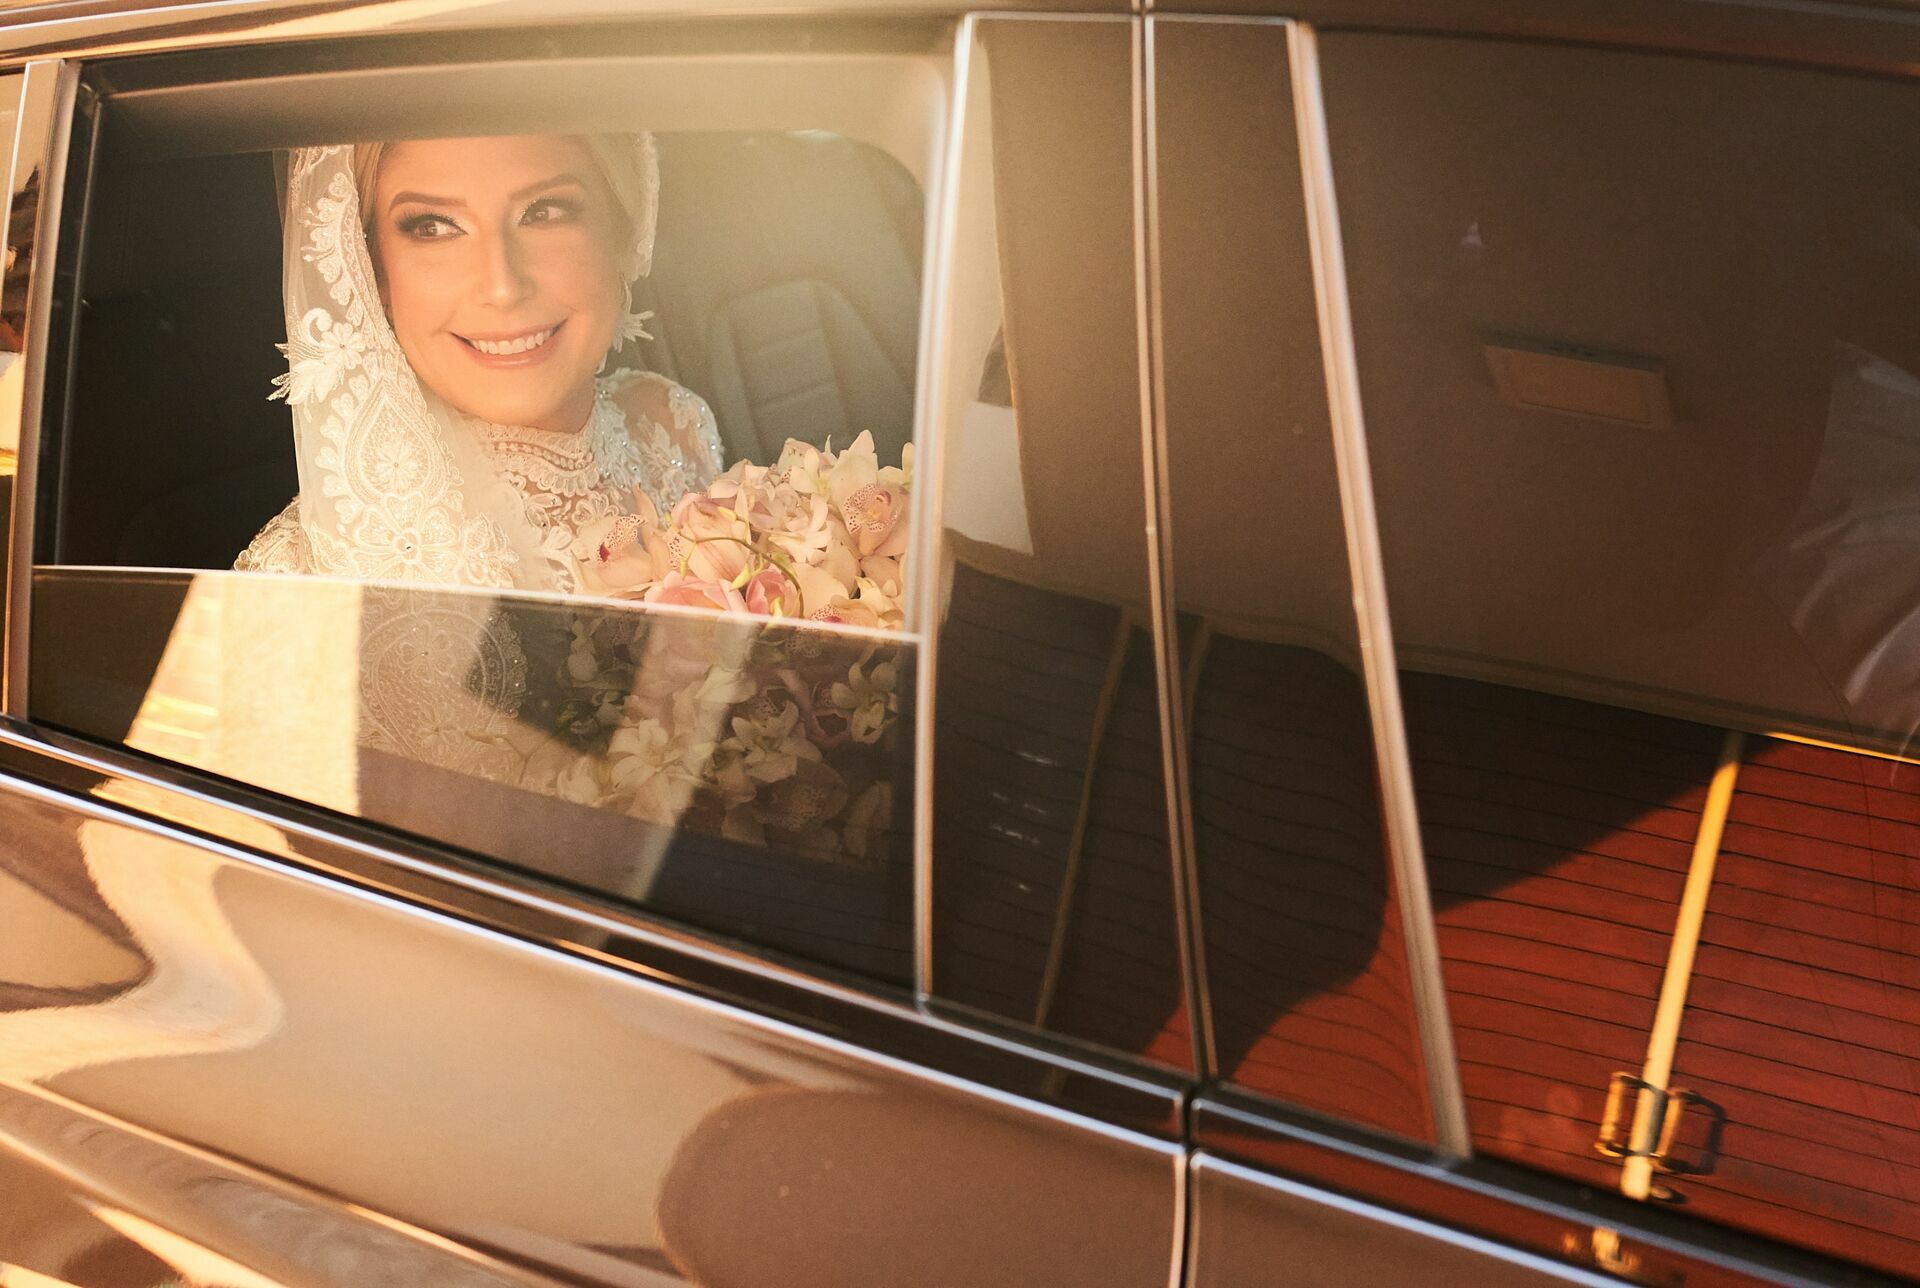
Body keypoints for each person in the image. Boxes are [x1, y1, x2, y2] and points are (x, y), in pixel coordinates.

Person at [236, 133, 723, 592]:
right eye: (433, 227)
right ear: (374, 276)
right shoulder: (309, 575)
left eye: (543, 212)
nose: (502, 287)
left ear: (621, 236)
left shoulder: (670, 422)